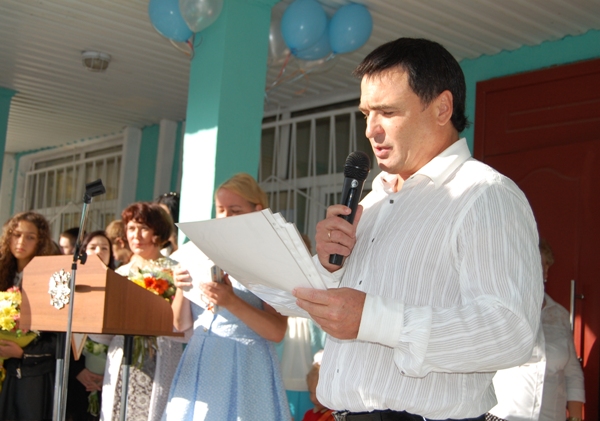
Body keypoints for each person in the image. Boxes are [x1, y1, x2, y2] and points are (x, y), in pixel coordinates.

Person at [292, 37, 543, 420]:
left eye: (388, 112)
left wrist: (376, 319)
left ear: (442, 108)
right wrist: (327, 266)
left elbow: (510, 331)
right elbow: (302, 304)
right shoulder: (373, 201)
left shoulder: (485, 195)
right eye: (366, 113)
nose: (370, 130)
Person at [163, 173, 291, 421]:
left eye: (235, 210)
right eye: (221, 210)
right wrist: (181, 287)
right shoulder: (198, 251)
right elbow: (180, 324)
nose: (225, 217)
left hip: (245, 364)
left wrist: (231, 301)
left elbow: (276, 331)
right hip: (200, 359)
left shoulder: (269, 259)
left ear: (257, 211)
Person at [101, 203, 182, 421]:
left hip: (161, 352)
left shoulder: (176, 271)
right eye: (131, 228)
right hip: (123, 353)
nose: (136, 235)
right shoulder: (118, 274)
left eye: (143, 228)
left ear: (158, 231)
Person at [489, 238, 585, 421]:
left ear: (546, 271)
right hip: (504, 416)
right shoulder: (500, 310)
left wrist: (575, 418)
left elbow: (572, 373)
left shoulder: (560, 315)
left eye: (540, 266)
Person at [0, 211, 58, 420]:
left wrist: (23, 353)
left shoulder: (50, 280)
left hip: (32, 376)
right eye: (16, 235)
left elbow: (57, 338)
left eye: (30, 237)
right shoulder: (3, 272)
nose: (21, 242)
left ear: (41, 242)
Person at [66, 230, 116, 421]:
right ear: (83, 252)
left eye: (104, 248)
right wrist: (77, 370)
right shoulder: (71, 284)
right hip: (76, 373)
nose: (99, 252)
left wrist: (108, 374)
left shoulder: (119, 286)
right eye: (93, 247)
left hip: (109, 373)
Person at [302, 351, 334, 421]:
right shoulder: (308, 414)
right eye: (311, 393)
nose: (313, 399)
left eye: (318, 394)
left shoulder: (336, 416)